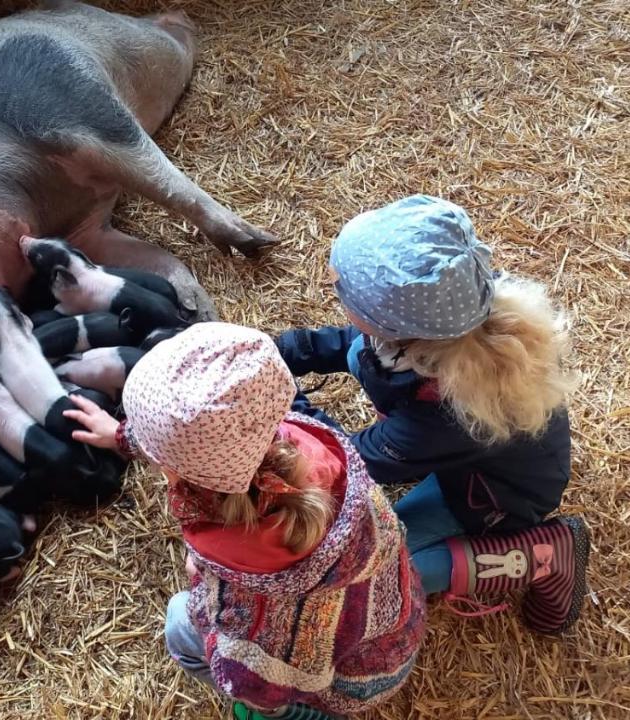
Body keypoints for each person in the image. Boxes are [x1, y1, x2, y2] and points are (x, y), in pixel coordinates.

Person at [64, 323, 425, 720]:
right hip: (391, 631)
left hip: (352, 687)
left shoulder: (248, 628)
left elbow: (256, 686)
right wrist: (122, 436)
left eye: (151, 448)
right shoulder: (299, 442)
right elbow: (197, 441)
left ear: (171, 470)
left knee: (179, 626)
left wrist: (206, 586)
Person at [274, 195, 589, 634]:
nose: (334, 282)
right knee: (353, 351)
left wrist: (280, 402)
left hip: (493, 498)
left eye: (344, 287)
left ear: (391, 326)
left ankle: (545, 553)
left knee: (386, 575)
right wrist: (276, 354)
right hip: (454, 459)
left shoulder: (451, 415)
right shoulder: (452, 314)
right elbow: (353, 341)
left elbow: (350, 461)